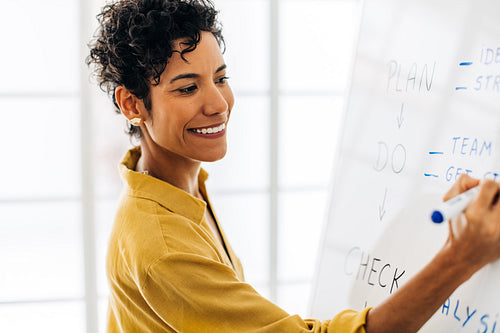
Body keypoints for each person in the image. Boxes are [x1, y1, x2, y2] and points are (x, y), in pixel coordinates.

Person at [87, 0, 500, 332]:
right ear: (132, 104)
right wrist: (461, 256)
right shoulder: (162, 246)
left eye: (221, 77)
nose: (218, 104)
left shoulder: (174, 185)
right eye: (188, 87)